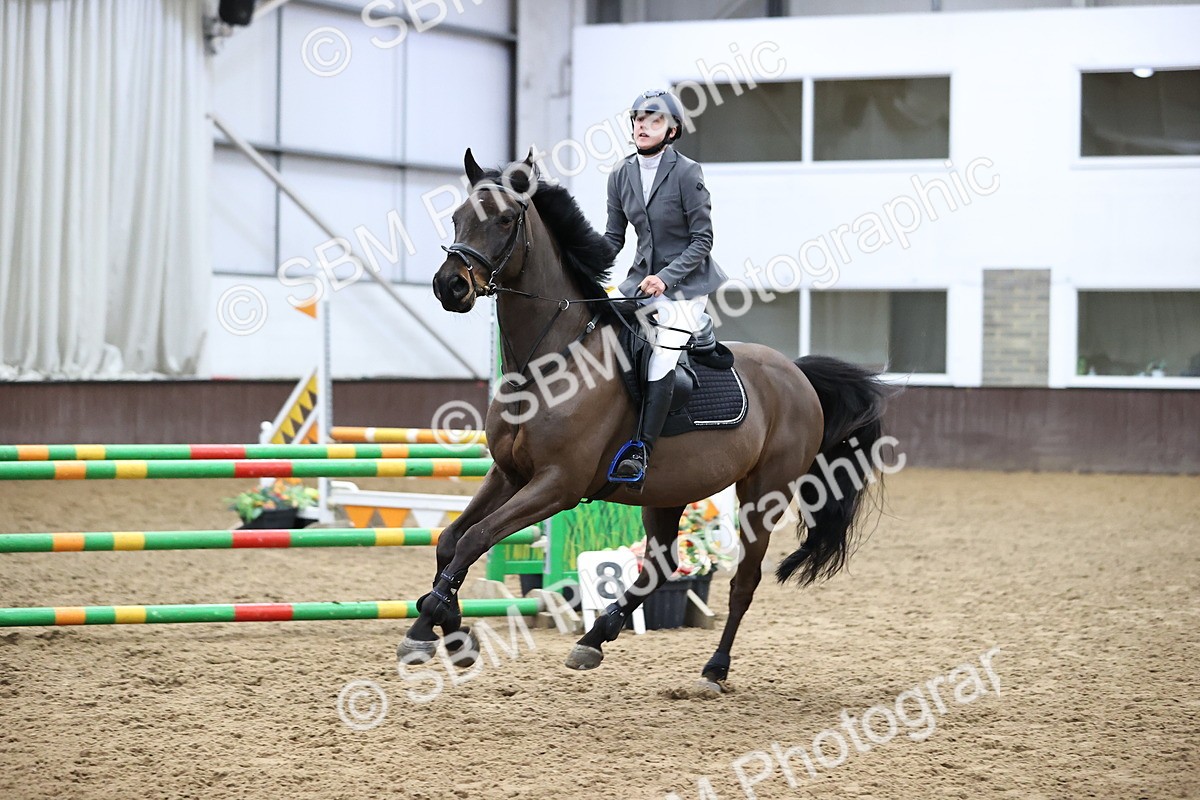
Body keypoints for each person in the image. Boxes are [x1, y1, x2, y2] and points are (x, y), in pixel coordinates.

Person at [602, 89, 728, 485]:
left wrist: (666, 277)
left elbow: (702, 240)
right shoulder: (620, 174)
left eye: (654, 120)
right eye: (639, 119)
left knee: (661, 356)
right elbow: (612, 238)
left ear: (672, 130)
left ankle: (640, 451)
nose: (644, 125)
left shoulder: (688, 172)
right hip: (639, 281)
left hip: (686, 285)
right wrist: (581, 264)